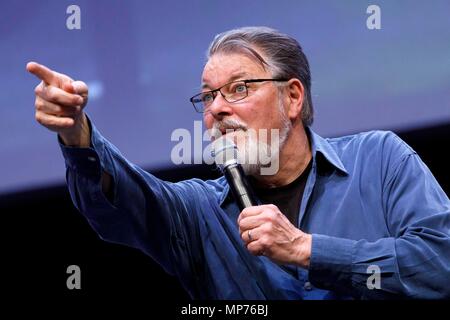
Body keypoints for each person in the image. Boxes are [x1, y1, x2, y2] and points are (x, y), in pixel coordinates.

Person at [27, 26, 450, 299]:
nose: (217, 109)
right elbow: (120, 199)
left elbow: (441, 266)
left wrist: (306, 249)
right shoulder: (199, 212)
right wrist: (76, 131)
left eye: (240, 88)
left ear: (293, 97)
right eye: (208, 96)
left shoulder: (380, 160)